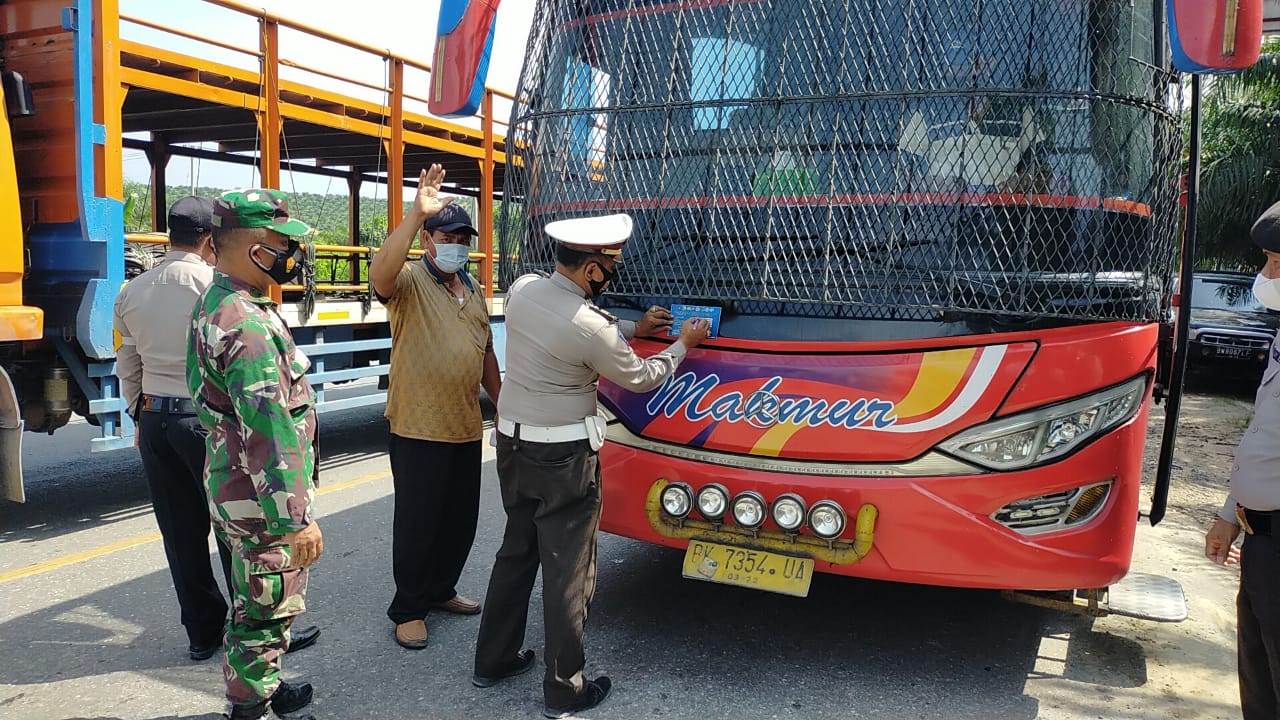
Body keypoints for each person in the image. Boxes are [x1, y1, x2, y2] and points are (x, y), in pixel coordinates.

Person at [471, 213, 710, 719]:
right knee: (568, 573)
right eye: (609, 266)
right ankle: (565, 689)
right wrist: (682, 344)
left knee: (516, 553)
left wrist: (631, 326)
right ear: (595, 271)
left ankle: (492, 660)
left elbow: (573, 324)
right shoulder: (590, 326)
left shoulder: (523, 289)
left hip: (513, 447)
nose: (610, 274)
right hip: (563, 459)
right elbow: (642, 377)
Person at [187, 188, 323, 720]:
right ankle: (250, 708)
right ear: (252, 247)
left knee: (255, 595)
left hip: (234, 482)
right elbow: (268, 429)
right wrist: (296, 520)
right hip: (259, 494)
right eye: (283, 244)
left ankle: (262, 685)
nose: (293, 256)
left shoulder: (221, 301)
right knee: (267, 603)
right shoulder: (244, 324)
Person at [368, 164, 502, 650]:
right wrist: (413, 213)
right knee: (418, 522)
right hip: (418, 427)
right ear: (427, 239)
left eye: (463, 237)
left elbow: (485, 351)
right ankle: (408, 609)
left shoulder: (473, 290)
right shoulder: (407, 281)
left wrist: (502, 405)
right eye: (448, 235)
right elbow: (379, 274)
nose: (457, 244)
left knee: (459, 519)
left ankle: (441, 589)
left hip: (464, 426)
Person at [1205, 199, 1280, 720]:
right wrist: (1232, 513)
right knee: (1259, 677)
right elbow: (1265, 436)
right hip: (1263, 543)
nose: (1266, 274)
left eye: (1279, 263)